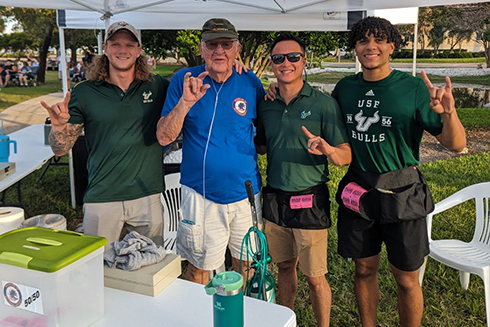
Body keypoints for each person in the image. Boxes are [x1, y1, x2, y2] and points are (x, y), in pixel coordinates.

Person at [332, 17, 466, 327]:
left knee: (406, 278)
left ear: (392, 46)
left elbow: (455, 144)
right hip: (359, 189)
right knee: (363, 269)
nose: (371, 47)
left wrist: (449, 113)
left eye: (379, 40)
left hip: (402, 191)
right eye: (363, 40)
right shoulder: (345, 89)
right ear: (355, 47)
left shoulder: (414, 88)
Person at [156, 18, 265, 285]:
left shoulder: (250, 82)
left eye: (226, 44)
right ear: (201, 48)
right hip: (201, 196)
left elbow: (263, 136)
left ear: (237, 49)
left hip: (245, 195)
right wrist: (185, 103)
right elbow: (163, 137)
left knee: (247, 267)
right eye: (212, 44)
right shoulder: (185, 80)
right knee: (199, 270)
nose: (219, 51)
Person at [41, 21, 169, 248]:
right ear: (105, 48)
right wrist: (59, 127)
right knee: (98, 270)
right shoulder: (85, 92)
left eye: (130, 45)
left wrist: (231, 66)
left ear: (139, 51)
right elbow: (60, 149)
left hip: (147, 196)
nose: (123, 50)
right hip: (102, 197)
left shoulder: (157, 86)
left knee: (149, 270)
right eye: (116, 44)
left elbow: (192, 83)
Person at [255, 33, 351, 327]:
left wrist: (329, 149)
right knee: (284, 267)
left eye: (293, 57)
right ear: (271, 63)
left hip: (309, 199)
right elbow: (261, 144)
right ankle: (286, 318)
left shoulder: (323, 104)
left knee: (315, 277)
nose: (286, 63)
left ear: (304, 60)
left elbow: (345, 154)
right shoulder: (265, 103)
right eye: (278, 58)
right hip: (275, 199)